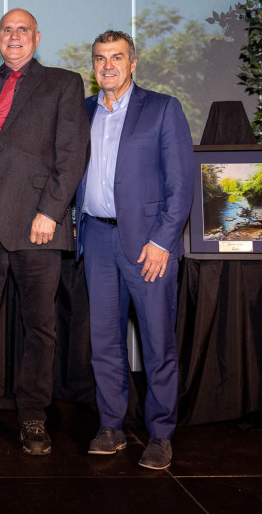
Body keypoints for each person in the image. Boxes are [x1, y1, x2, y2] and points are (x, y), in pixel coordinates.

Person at [0, 9, 90, 457]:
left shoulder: (64, 83)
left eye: (23, 30)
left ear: (37, 37)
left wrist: (51, 210)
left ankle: (33, 415)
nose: (15, 37)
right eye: (7, 30)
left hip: (38, 227)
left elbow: (72, 153)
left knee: (40, 329)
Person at [75, 30, 194, 470]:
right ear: (93, 66)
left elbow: (181, 186)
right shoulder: (83, 111)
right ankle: (111, 426)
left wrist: (163, 241)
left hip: (148, 245)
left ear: (133, 63)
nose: (108, 65)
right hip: (98, 240)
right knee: (104, 343)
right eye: (100, 58)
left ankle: (161, 434)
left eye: (117, 57)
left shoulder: (163, 108)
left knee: (158, 343)